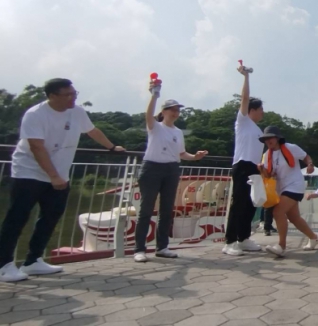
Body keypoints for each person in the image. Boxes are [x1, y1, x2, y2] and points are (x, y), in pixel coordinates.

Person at [0, 78, 124, 283]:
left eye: (75, 93)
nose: (73, 97)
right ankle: (4, 265)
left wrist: (112, 147)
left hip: (60, 175)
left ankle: (33, 261)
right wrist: (53, 176)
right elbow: (37, 147)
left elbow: (92, 131)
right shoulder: (35, 115)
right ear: (52, 96)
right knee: (17, 218)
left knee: (51, 217)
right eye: (68, 94)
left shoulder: (77, 112)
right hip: (29, 172)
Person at [134, 84, 209, 263]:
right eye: (172, 110)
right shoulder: (155, 127)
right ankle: (139, 249)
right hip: (152, 168)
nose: (175, 113)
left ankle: (162, 247)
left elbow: (182, 154)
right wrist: (154, 94)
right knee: (146, 210)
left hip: (171, 169)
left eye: (177, 110)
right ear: (164, 111)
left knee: (166, 210)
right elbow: (148, 114)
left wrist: (195, 157)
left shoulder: (178, 132)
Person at [222, 64, 265, 256]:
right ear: (252, 110)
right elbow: (245, 98)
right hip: (241, 165)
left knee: (250, 204)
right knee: (238, 203)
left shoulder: (258, 130)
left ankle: (244, 238)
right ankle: (230, 241)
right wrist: (246, 77)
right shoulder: (243, 121)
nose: (263, 112)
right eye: (261, 109)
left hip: (254, 168)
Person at [261, 126, 318, 257]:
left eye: (270, 138)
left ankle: (281, 246)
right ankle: (314, 237)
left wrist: (310, 164)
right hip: (281, 188)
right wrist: (261, 169)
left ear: (277, 138)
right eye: (265, 139)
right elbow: (268, 175)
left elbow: (306, 156)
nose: (268, 141)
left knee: (278, 212)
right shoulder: (267, 155)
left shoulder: (291, 148)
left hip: (295, 185)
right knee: (294, 218)